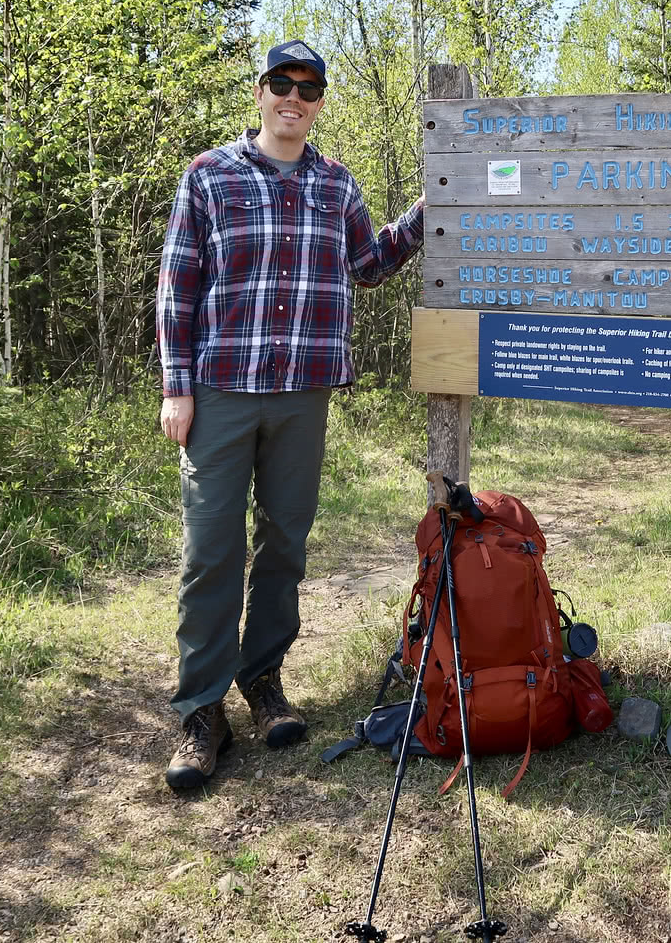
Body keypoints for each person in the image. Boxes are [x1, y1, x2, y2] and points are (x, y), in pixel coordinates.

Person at [155, 40, 426, 789]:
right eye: (282, 83)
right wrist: (177, 387)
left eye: (308, 88)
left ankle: (263, 679)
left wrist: (431, 210)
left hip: (304, 392)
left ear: (319, 102)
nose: (293, 98)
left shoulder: (338, 185)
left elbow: (369, 264)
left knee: (284, 545)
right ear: (260, 91)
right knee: (210, 550)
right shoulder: (209, 175)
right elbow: (178, 284)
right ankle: (201, 709)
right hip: (220, 391)